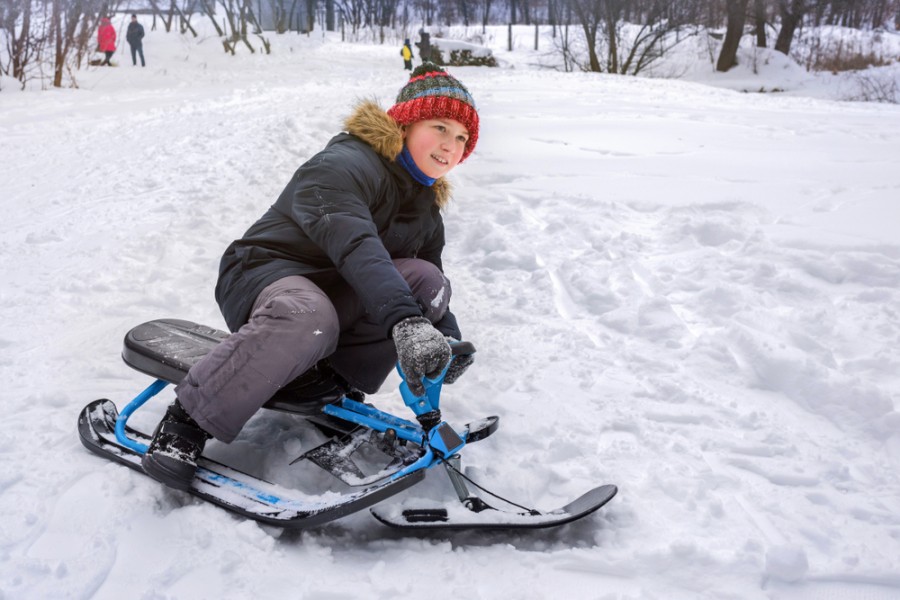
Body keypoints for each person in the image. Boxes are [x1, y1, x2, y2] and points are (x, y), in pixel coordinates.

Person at [141, 63, 481, 491]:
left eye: (462, 138)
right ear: (407, 122)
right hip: (268, 274)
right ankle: (189, 419)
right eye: (440, 127)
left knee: (426, 280)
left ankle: (326, 383)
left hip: (335, 293)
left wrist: (446, 338)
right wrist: (404, 321)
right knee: (307, 313)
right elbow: (357, 245)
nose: (451, 146)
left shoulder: (425, 208)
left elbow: (430, 285)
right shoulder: (346, 163)